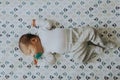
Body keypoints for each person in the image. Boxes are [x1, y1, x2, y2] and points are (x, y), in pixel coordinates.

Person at [19, 19, 116, 65]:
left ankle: (104, 43)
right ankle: (92, 49)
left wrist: (37, 23)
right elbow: (52, 61)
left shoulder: (41, 31)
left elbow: (48, 23)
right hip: (74, 48)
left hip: (75, 34)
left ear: (34, 40)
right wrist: (40, 59)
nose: (33, 55)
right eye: (30, 55)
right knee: (79, 59)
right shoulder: (45, 52)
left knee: (91, 31)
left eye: (31, 51)